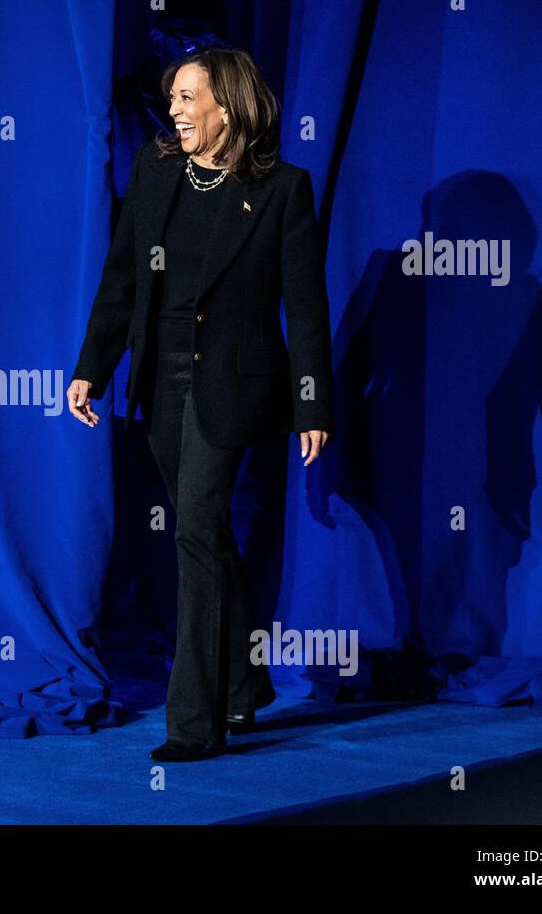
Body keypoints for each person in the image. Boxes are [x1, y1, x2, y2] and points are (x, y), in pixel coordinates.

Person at [68, 48, 335, 762]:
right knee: (205, 531)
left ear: (230, 106)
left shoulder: (283, 190)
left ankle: (194, 721)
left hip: (234, 387)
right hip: (161, 381)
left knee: (193, 533)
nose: (176, 109)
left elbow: (305, 313)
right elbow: (122, 278)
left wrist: (312, 406)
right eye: (173, 97)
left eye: (190, 97)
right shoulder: (155, 174)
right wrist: (93, 368)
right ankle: (246, 686)